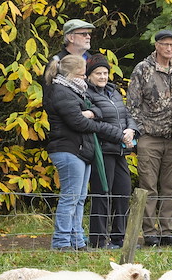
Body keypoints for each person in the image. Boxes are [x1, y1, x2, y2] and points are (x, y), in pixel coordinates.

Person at [43, 55, 123, 251]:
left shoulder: (76, 90)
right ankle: (61, 242)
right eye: (81, 74)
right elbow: (77, 122)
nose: (84, 78)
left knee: (79, 198)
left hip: (81, 150)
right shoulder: (61, 91)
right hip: (68, 149)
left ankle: (77, 240)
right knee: (70, 197)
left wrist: (91, 113)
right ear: (70, 74)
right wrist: (92, 119)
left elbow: (96, 108)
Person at [127, 29, 172, 247]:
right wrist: (139, 131)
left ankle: (167, 232)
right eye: (165, 44)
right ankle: (149, 233)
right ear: (156, 45)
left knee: (171, 187)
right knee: (148, 186)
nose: (169, 48)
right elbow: (132, 105)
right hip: (150, 137)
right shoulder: (143, 69)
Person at [84, 53, 137, 249]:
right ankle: (98, 240)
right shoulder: (87, 94)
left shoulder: (114, 92)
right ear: (90, 75)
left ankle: (119, 238)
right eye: (98, 73)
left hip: (120, 150)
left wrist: (132, 130)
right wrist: (119, 135)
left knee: (123, 194)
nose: (103, 77)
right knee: (103, 194)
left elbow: (127, 114)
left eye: (105, 73)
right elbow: (95, 124)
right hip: (102, 150)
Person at [43, 19, 94, 85]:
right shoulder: (57, 61)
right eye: (84, 34)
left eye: (89, 34)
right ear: (71, 38)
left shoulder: (91, 59)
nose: (88, 37)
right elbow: (50, 90)